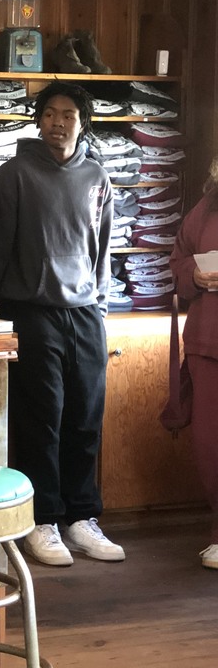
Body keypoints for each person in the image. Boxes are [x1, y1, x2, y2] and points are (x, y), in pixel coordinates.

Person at [0, 81, 123, 566]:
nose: (58, 122)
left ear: (83, 122)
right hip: (31, 312)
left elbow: (102, 250)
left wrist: (100, 309)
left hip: (85, 314)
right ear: (39, 120)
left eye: (68, 114)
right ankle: (43, 519)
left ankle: (81, 516)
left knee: (85, 418)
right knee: (41, 420)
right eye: (50, 113)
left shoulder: (97, 176)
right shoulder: (15, 174)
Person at [170, 157, 218, 570]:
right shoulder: (205, 209)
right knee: (210, 445)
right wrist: (195, 276)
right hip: (208, 340)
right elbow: (179, 259)